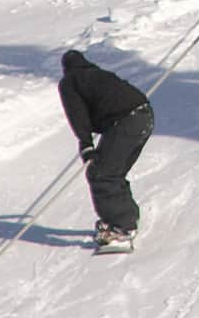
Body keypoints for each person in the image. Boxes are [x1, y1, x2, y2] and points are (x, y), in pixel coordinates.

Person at [58, 50, 154, 249]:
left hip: (126, 121)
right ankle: (126, 217)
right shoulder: (98, 74)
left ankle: (122, 227)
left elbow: (78, 115)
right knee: (114, 171)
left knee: (101, 173)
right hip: (145, 116)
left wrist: (86, 146)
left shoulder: (70, 82)